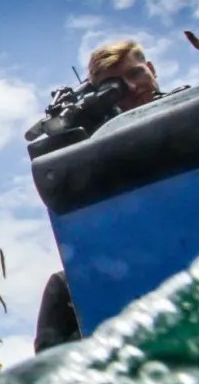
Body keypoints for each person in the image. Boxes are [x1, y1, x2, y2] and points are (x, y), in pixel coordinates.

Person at [33, 39, 164, 355]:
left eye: (136, 74)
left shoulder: (197, 106)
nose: (131, 88)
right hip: (129, 256)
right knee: (60, 290)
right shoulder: (100, 146)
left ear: (151, 69)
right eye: (114, 87)